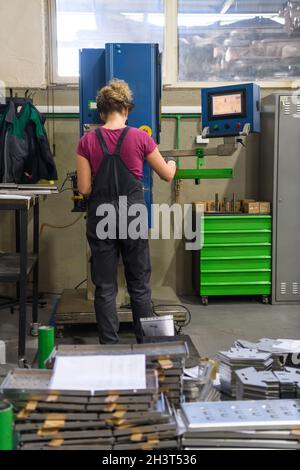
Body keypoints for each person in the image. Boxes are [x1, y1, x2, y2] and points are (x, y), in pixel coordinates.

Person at [76, 79, 176, 344]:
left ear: (101, 111)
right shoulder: (141, 137)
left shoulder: (87, 141)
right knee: (139, 286)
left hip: (101, 218)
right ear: (126, 109)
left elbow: (84, 188)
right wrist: (173, 163)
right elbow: (166, 175)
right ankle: (147, 344)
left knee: (105, 286)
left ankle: (109, 344)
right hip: (132, 215)